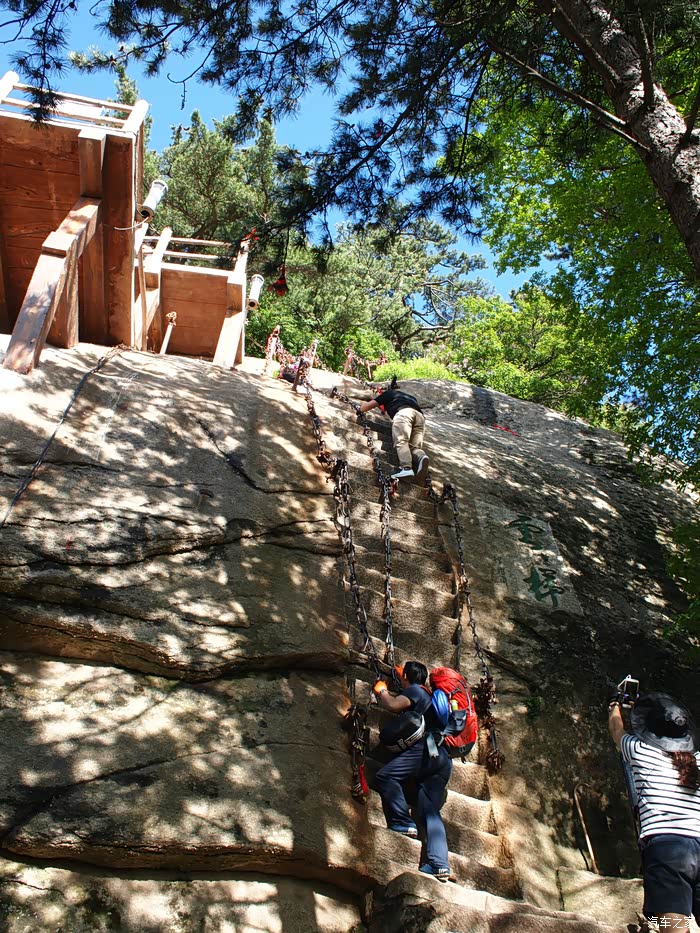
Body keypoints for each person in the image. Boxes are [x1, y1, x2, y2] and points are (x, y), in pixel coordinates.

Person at [608, 691, 700, 930]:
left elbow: (617, 731)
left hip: (667, 850)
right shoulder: (698, 760)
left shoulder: (640, 751)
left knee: (673, 926)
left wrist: (615, 705)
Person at [373, 661, 452, 882]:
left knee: (386, 776)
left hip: (425, 750)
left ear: (406, 676)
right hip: (442, 758)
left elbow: (392, 705)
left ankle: (402, 821)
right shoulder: (428, 694)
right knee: (429, 809)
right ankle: (439, 864)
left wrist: (382, 690)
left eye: (402, 672)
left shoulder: (415, 690)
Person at [359, 385, 429, 482]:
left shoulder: (388, 394)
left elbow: (365, 407)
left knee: (402, 441)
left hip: (404, 413)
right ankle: (422, 457)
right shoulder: (411, 398)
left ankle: (406, 468)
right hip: (420, 418)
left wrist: (360, 408)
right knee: (413, 447)